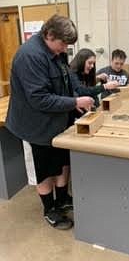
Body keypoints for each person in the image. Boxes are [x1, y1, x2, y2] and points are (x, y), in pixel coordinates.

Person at [6, 15, 94, 230]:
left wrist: (74, 102)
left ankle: (62, 198)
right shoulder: (30, 56)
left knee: (62, 162)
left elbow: (64, 84)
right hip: (34, 125)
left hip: (57, 121)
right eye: (62, 43)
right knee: (43, 169)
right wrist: (73, 101)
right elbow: (38, 98)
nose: (65, 49)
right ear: (49, 34)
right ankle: (50, 209)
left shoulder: (57, 51)